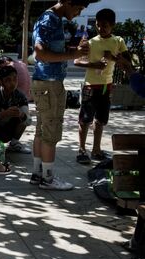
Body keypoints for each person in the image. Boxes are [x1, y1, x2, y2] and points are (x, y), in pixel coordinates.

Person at [29, 0, 97, 191]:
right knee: (50, 133)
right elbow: (40, 53)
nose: (78, 12)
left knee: (42, 131)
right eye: (78, 7)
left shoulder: (53, 19)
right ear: (68, 1)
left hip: (46, 83)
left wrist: (72, 51)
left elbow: (49, 51)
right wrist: (73, 54)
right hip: (49, 84)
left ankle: (38, 174)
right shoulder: (49, 19)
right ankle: (48, 179)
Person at [74, 8, 129, 164]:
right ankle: (82, 150)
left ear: (113, 25)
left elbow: (127, 63)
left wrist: (112, 58)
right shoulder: (90, 42)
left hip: (107, 86)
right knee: (85, 120)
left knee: (100, 120)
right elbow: (77, 61)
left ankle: (96, 150)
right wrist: (93, 64)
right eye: (97, 25)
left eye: (104, 25)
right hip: (90, 87)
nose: (100, 28)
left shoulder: (118, 41)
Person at [0, 66, 32, 154]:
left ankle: (14, 144)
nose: (13, 83)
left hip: (9, 129)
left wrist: (21, 114)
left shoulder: (20, 97)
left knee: (23, 118)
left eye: (14, 79)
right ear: (1, 82)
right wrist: (4, 114)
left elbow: (28, 121)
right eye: (8, 80)